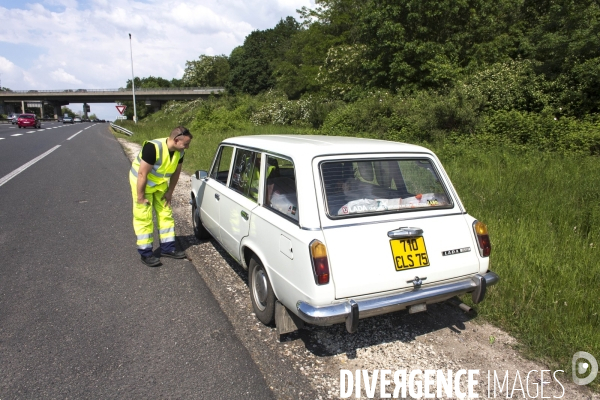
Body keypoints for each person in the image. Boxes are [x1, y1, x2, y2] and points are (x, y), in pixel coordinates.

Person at [129, 126, 193, 267]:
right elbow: (142, 174)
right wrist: (140, 196)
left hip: (160, 184)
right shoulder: (153, 148)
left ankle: (168, 248)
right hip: (142, 184)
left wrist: (170, 192)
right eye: (186, 144)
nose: (187, 147)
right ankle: (146, 254)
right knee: (144, 217)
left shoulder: (179, 152)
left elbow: (176, 173)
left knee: (165, 213)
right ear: (176, 140)